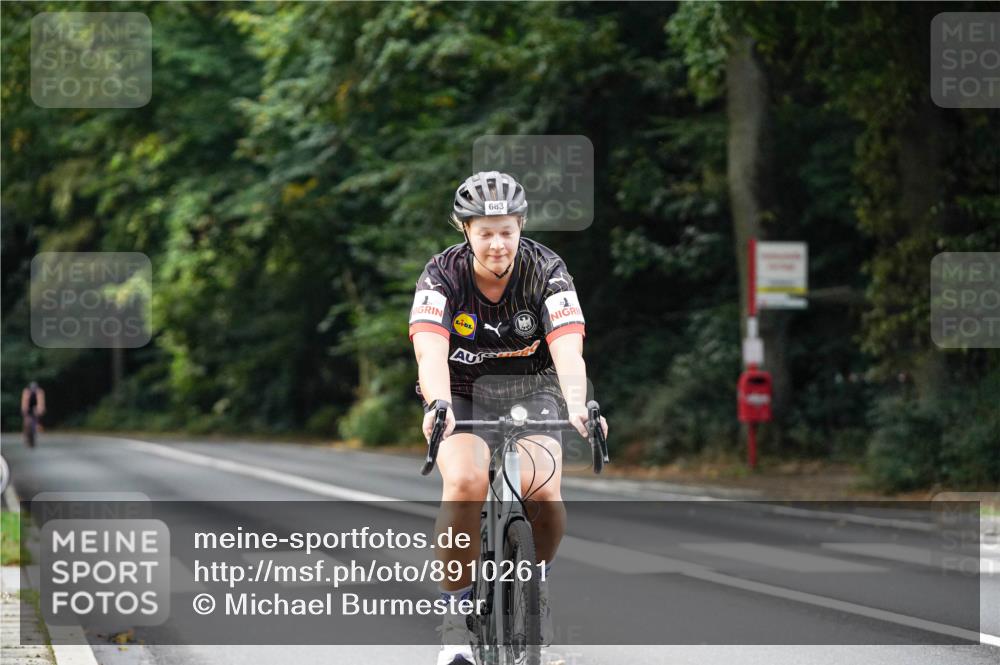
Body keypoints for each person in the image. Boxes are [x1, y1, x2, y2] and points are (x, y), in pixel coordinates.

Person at [409, 171, 608, 665]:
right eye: (485, 232)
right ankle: (456, 615)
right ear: (465, 230)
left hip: (533, 389)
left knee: (544, 490)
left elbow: (567, 349)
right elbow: (430, 352)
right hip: (460, 392)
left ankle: (532, 589)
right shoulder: (441, 275)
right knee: (466, 483)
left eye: (507, 231)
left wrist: (580, 404)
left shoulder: (548, 270)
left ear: (521, 225)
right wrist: (438, 406)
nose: (497, 244)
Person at [21, 381, 46, 447]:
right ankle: (26, 436)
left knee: (36, 421)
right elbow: (24, 403)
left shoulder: (39, 392)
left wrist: (40, 411)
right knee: (26, 423)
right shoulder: (26, 392)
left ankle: (35, 432)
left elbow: (41, 403)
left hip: (35, 408)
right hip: (28, 408)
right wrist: (25, 411)